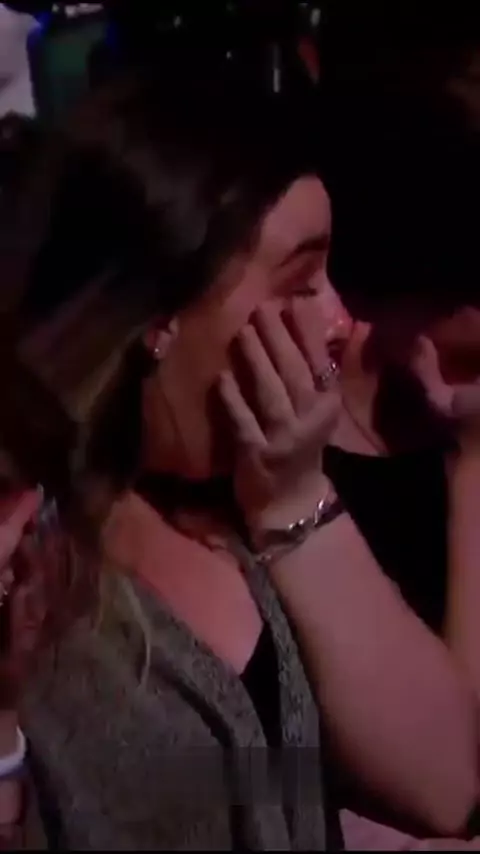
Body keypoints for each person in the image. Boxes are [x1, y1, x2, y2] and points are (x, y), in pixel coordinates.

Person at [0, 68, 476, 850]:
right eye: (301, 278)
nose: (338, 318)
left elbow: (443, 780)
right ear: (161, 312)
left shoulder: (229, 502)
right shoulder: (35, 566)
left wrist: (293, 498)